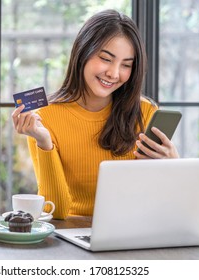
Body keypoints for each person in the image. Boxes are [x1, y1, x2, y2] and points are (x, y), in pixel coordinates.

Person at [11, 9, 179, 219]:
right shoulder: (45, 118)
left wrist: (174, 167)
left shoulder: (145, 113)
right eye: (106, 59)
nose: (114, 73)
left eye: (126, 65)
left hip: (133, 232)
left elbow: (159, 203)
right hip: (73, 236)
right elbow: (57, 212)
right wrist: (44, 142)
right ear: (83, 52)